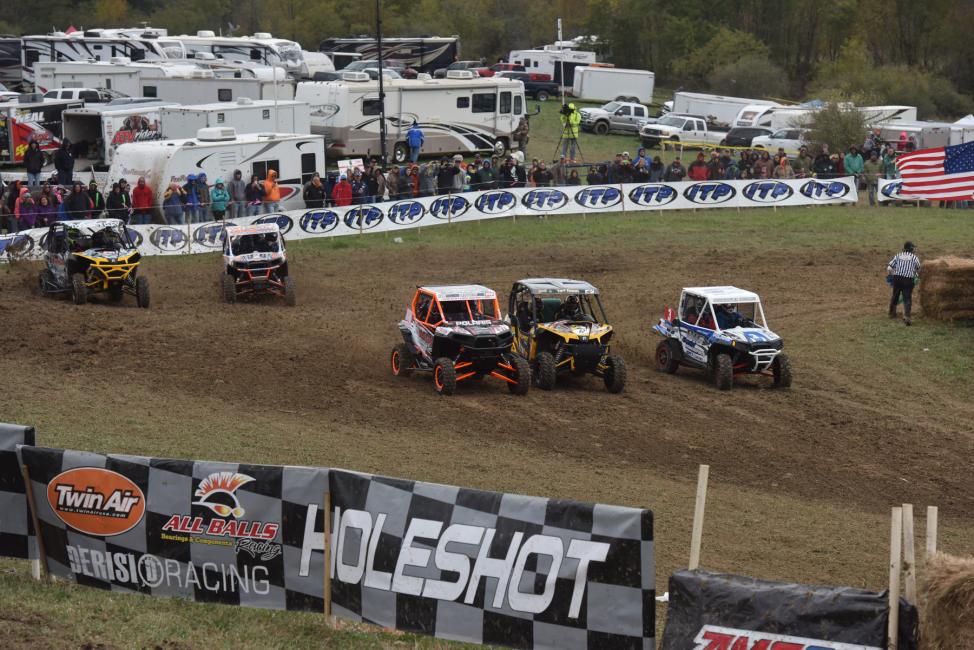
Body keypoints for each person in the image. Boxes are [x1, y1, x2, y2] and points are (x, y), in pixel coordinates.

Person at [887, 242, 921, 325]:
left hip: (897, 278)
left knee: (895, 295)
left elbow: (889, 267)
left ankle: (892, 313)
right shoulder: (914, 258)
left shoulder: (898, 255)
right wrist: (916, 275)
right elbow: (919, 269)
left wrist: (891, 275)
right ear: (911, 249)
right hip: (908, 279)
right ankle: (907, 316)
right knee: (907, 297)